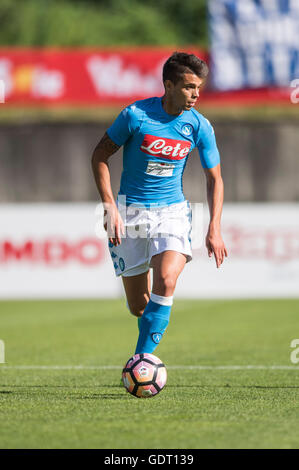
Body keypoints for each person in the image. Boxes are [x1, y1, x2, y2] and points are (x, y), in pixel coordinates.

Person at [91, 51, 227, 355]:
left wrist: (214, 228)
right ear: (168, 85)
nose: (196, 94)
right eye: (189, 87)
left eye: (199, 88)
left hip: (172, 212)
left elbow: (215, 178)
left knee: (166, 280)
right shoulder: (135, 116)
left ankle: (142, 361)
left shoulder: (199, 126)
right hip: (130, 213)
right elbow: (99, 156)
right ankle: (146, 349)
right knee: (139, 306)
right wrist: (109, 206)